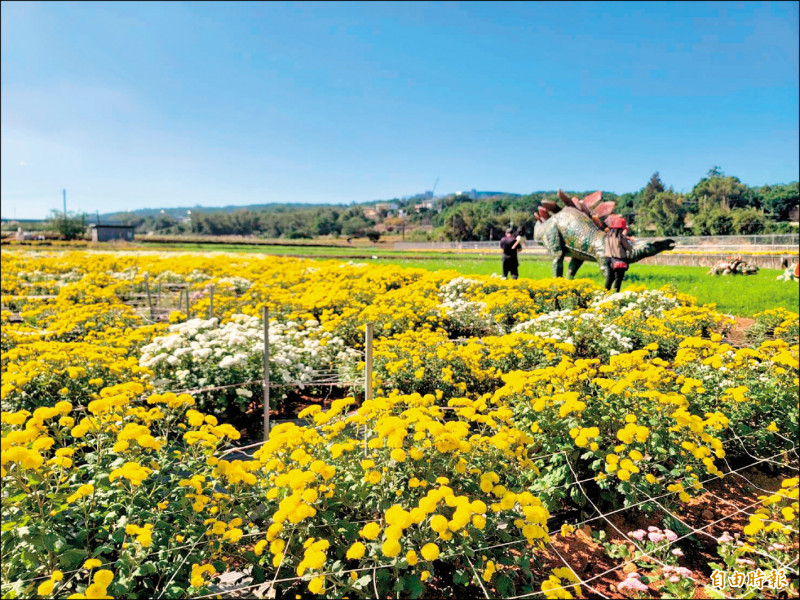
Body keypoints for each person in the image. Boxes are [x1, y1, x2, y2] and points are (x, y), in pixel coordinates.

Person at [603, 217, 633, 293]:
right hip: (619, 260)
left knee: (609, 278)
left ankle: (605, 293)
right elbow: (629, 248)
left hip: (608, 258)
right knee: (618, 279)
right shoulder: (621, 237)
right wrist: (630, 242)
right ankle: (615, 294)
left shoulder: (608, 235)